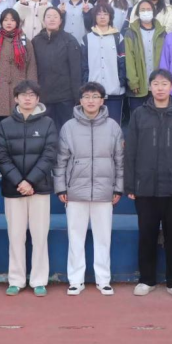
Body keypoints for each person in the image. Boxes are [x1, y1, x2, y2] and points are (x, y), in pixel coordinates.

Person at [125, 69, 172, 300]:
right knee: (146, 235)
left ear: (171, 86)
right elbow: (130, 152)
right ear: (150, 87)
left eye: (164, 84)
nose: (160, 88)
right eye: (156, 84)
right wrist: (130, 185)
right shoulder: (139, 115)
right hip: (145, 187)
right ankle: (146, 280)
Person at [55, 82, 124, 295]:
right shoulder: (69, 127)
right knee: (75, 237)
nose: (91, 101)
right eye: (87, 97)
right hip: (75, 191)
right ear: (80, 101)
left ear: (102, 100)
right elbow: (61, 161)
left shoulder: (113, 127)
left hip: (104, 191)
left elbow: (120, 161)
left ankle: (104, 279)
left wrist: (118, 188)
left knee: (103, 237)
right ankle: (76, 280)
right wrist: (61, 188)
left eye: (95, 97)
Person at [0, 80, 58, 298]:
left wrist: (30, 181)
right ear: (16, 98)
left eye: (32, 95)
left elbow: (50, 154)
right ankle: (16, 279)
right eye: (23, 95)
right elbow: (2, 156)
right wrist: (19, 182)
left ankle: (39, 280)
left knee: (40, 236)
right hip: (13, 189)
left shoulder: (48, 123)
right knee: (16, 236)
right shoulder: (5, 125)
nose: (27, 98)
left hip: (39, 188)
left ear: (38, 99)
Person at [0, 9, 38, 122]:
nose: (9, 23)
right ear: (1, 22)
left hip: (19, 90)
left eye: (12, 20)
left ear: (17, 22)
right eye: (5, 20)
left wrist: (32, 90)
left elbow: (31, 67)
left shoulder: (25, 41)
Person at [82, 4, 127, 124]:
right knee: (94, 125)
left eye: (105, 14)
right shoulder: (87, 38)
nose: (102, 17)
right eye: (99, 14)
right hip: (93, 93)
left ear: (110, 17)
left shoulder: (118, 37)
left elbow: (123, 62)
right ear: (94, 17)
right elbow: (84, 65)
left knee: (114, 124)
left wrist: (121, 82)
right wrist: (86, 83)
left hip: (114, 91)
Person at [124, 0, 167, 113]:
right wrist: (133, 82)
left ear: (153, 11)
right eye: (142, 10)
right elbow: (129, 60)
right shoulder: (130, 33)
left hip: (158, 85)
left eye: (148, 9)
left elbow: (166, 58)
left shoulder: (162, 33)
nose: (146, 12)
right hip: (138, 86)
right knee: (139, 118)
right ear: (138, 13)